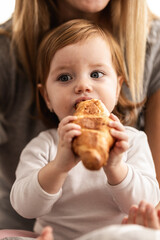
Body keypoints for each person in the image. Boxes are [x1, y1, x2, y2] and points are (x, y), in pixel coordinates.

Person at [1, 0, 160, 232]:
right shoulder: (44, 146)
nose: (83, 86)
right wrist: (58, 167)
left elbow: (147, 201)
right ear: (47, 97)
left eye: (96, 74)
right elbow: (24, 206)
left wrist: (116, 167)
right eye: (65, 78)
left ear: (118, 89)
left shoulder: (132, 142)